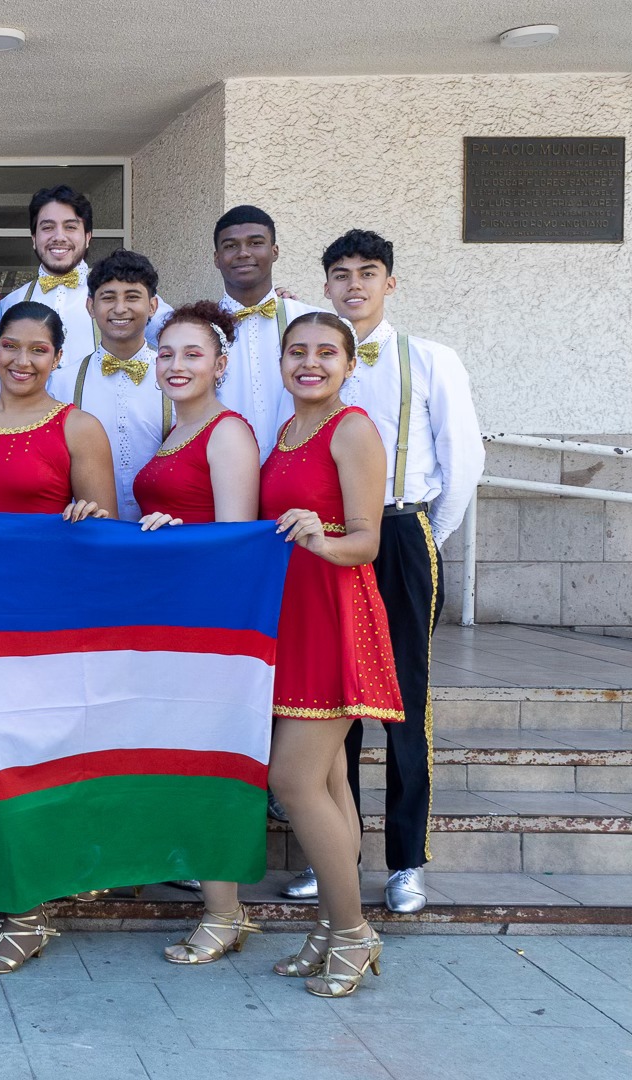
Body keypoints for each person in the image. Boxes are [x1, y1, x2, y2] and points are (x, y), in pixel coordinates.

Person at [0, 300, 116, 976]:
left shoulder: (79, 427)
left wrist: (88, 515)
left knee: (31, 765)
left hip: (44, 624)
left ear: (58, 357)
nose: (22, 360)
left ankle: (30, 915)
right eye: (11, 345)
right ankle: (13, 900)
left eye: (39, 349)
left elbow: (105, 533)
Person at [317, 229, 481, 914]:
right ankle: (338, 857)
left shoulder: (429, 359)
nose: (354, 284)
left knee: (405, 701)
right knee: (335, 707)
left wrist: (422, 537)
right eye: (341, 273)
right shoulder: (315, 357)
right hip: (330, 540)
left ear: (390, 282)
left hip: (403, 531)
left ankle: (407, 862)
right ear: (326, 285)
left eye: (368, 272)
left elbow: (463, 458)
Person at [262, 311, 402, 998]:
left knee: (292, 781)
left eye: (325, 352)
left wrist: (323, 538)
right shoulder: (286, 432)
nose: (309, 363)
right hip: (291, 616)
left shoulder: (353, 429)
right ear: (281, 363)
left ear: (350, 364)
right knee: (331, 782)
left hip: (334, 611)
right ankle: (329, 927)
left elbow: (368, 541)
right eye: (297, 351)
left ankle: (353, 931)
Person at [132, 303, 265, 964]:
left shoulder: (226, 432)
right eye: (167, 354)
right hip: (169, 617)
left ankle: (224, 913)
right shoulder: (175, 431)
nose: (176, 365)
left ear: (220, 365)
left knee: (210, 762)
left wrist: (180, 536)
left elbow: (237, 544)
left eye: (192, 354)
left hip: (209, 626)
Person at [0, 185, 171, 374]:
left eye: (70, 227)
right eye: (47, 227)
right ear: (33, 238)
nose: (59, 237)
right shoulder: (11, 303)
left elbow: (176, 340)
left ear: (88, 237)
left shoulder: (122, 295)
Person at [68, 250, 168, 519]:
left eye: (132, 297)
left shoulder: (176, 377)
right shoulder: (62, 381)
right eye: (108, 298)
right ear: (91, 307)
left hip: (165, 529)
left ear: (152, 306)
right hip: (89, 530)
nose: (120, 308)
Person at [212, 206, 319, 458]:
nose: (243, 253)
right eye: (230, 246)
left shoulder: (313, 323)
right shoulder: (199, 328)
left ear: (275, 251)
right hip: (221, 467)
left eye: (256, 243)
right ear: (216, 258)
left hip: (299, 467)